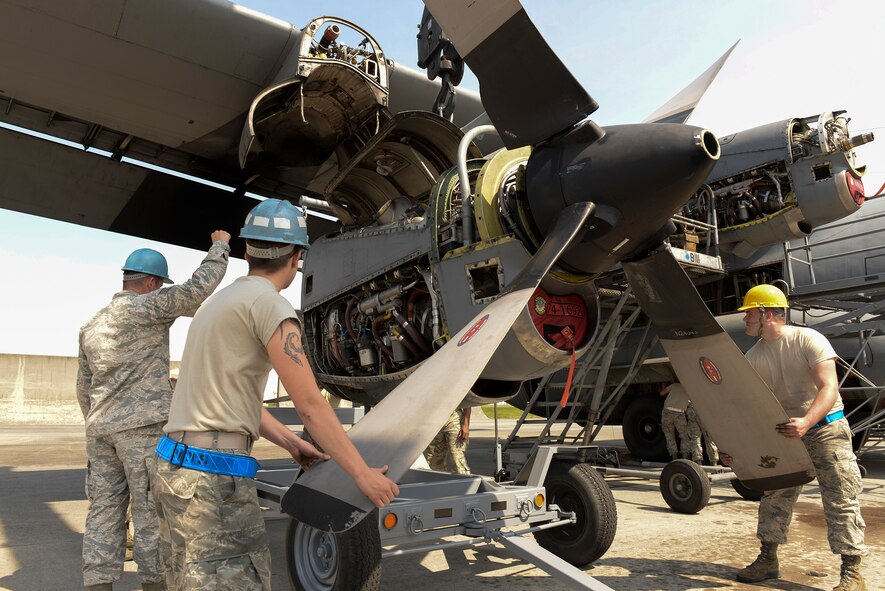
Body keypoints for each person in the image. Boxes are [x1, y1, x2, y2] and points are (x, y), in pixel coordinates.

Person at [151, 199, 399, 591]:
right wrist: (361, 475)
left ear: (247, 251)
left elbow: (232, 397)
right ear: (297, 256)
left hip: (174, 469)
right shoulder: (270, 307)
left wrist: (291, 442)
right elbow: (311, 404)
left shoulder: (217, 305)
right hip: (213, 478)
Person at [77, 233, 231, 591]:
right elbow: (197, 290)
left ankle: (98, 586)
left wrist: (99, 421)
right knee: (150, 512)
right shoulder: (147, 307)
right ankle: (155, 586)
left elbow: (83, 387)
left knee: (103, 511)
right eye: (160, 285)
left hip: (100, 430)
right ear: (151, 283)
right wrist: (219, 247)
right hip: (142, 430)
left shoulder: (91, 325)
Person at [722, 284, 867, 590]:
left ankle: (852, 573)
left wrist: (807, 421)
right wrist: (735, 447)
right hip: (787, 433)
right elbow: (751, 408)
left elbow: (829, 387)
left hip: (826, 430)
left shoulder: (808, 339)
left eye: (749, 313)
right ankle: (768, 560)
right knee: (775, 496)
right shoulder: (753, 355)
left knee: (840, 498)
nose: (745, 319)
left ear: (767, 314)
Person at [425, 407, 471, 474]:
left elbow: (467, 404)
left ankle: (464, 481)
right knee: (434, 459)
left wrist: (465, 424)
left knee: (457, 457)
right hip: (434, 420)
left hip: (454, 419)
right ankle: (438, 482)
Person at [660, 383, 696, 462]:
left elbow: (662, 393)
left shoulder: (675, 385)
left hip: (667, 412)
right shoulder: (690, 389)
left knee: (669, 435)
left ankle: (674, 457)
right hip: (679, 413)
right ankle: (685, 456)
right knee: (684, 436)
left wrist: (663, 387)